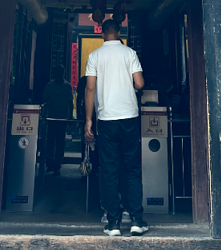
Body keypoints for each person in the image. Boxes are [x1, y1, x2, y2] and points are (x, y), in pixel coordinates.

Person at [84, 18, 148, 237]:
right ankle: (137, 220)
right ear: (119, 32)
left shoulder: (95, 56)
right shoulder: (129, 53)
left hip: (106, 119)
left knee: (109, 171)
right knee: (132, 169)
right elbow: (140, 83)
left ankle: (113, 224)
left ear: (102, 34)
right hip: (129, 117)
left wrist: (89, 120)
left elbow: (90, 89)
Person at [42, 65, 73, 175]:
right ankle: (50, 163)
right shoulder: (49, 86)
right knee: (50, 141)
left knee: (60, 142)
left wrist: (70, 116)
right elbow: (44, 100)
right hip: (51, 117)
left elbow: (70, 102)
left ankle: (57, 164)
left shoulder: (67, 86)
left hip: (62, 118)